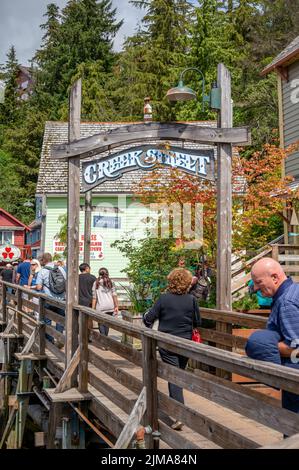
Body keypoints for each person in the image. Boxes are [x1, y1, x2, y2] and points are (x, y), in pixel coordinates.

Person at [143, 268, 201, 430]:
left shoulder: (164, 299)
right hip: (185, 343)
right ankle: (177, 411)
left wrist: (146, 319)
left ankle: (178, 414)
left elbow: (149, 318)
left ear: (171, 282)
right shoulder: (191, 300)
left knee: (173, 377)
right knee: (178, 376)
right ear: (187, 283)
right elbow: (198, 322)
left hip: (167, 344)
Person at [245, 257, 299, 418]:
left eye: (258, 282)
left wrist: (262, 347)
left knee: (292, 431)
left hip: (295, 380)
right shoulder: (295, 290)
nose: (255, 288)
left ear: (274, 277)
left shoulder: (286, 303)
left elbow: (296, 347)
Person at [36, 253, 66, 345]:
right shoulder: (60, 269)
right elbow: (65, 282)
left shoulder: (42, 271)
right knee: (60, 320)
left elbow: (38, 287)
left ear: (44, 260)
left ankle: (50, 340)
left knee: (47, 320)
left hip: (48, 299)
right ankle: (60, 338)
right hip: (61, 299)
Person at [92, 268, 119, 337]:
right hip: (110, 306)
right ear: (107, 273)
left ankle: (104, 340)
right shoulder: (111, 282)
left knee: (101, 324)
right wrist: (116, 306)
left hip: (101, 306)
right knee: (107, 323)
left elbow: (94, 297)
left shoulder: (96, 283)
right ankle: (106, 339)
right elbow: (114, 295)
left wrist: (93, 308)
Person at [79, 263, 96, 340]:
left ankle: (81, 336)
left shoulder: (77, 277)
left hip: (79, 301)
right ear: (86, 268)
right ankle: (88, 337)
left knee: (80, 320)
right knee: (89, 320)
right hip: (89, 301)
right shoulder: (92, 278)